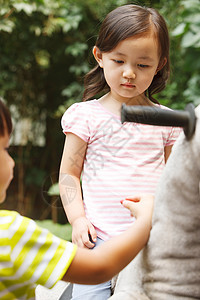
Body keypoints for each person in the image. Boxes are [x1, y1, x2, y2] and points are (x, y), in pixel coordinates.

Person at [59, 4, 181, 299]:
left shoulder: (168, 121)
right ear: (100, 56)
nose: (129, 73)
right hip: (98, 240)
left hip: (150, 242)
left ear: (159, 64)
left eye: (142, 65)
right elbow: (68, 174)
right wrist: (78, 219)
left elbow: (174, 183)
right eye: (118, 60)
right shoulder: (86, 116)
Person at [0, 98, 153, 300]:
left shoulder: (166, 122)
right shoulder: (11, 234)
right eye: (5, 149)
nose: (11, 161)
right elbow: (99, 268)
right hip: (98, 239)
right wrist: (146, 220)